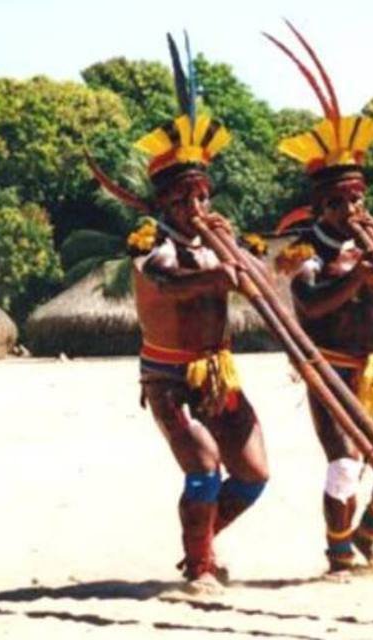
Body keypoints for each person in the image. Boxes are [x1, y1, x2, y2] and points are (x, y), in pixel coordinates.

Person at [89, 34, 268, 595]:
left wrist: (237, 256)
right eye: (185, 200)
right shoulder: (151, 248)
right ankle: (199, 569)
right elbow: (176, 283)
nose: (197, 209)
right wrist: (224, 268)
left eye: (203, 198)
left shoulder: (223, 242)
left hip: (218, 374)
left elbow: (260, 289)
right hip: (168, 378)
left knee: (255, 476)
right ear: (164, 204)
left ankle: (201, 546)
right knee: (204, 465)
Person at [267, 24, 373, 578]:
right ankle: (337, 556)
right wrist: (355, 274)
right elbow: (310, 308)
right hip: (330, 371)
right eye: (340, 202)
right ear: (320, 205)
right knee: (345, 466)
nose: (351, 209)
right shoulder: (303, 250)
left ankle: (366, 535)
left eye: (357, 198)